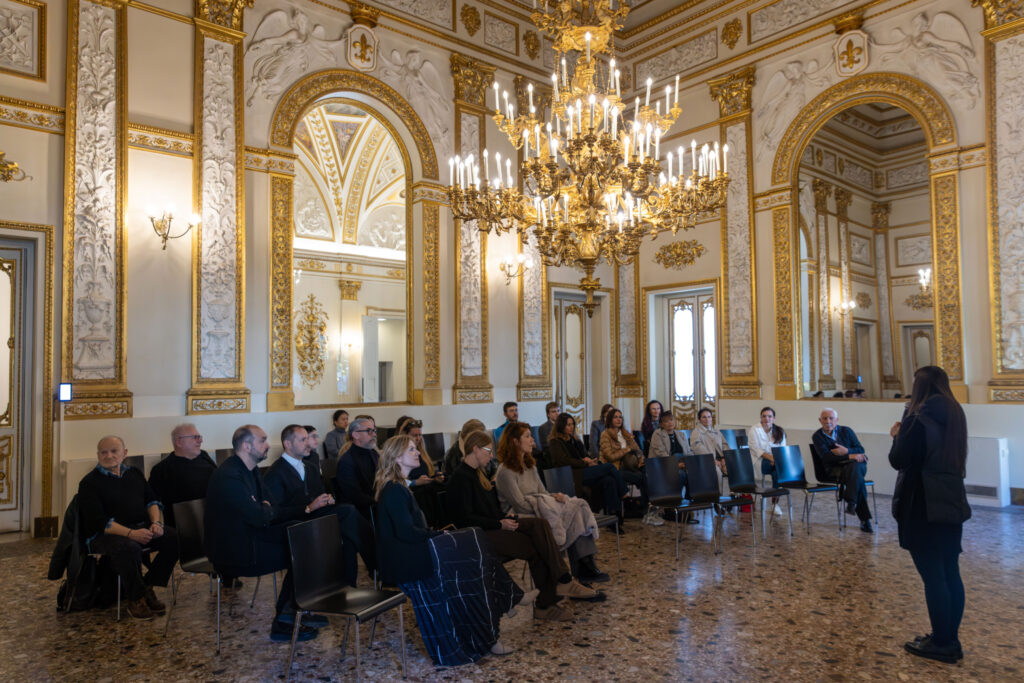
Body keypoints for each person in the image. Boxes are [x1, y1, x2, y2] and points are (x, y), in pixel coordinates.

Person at [374, 435, 533, 662]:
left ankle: (493, 627)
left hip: (415, 554)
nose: (418, 452)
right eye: (411, 450)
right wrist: (438, 534)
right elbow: (406, 533)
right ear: (397, 458)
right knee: (475, 550)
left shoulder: (398, 488)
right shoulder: (394, 490)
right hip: (409, 562)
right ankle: (500, 616)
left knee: (476, 552)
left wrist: (436, 534)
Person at [447, 430, 598, 621]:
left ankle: (559, 586)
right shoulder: (460, 478)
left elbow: (488, 510)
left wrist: (503, 518)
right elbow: (464, 519)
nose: (491, 455)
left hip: (493, 526)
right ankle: (552, 596)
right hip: (477, 536)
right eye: (488, 450)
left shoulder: (479, 475)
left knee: (540, 525)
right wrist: (499, 523)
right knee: (536, 544)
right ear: (475, 449)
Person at [205, 425, 322, 643]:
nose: (268, 445)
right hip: (235, 553)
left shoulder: (250, 470)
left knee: (302, 533)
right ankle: (285, 621)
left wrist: (264, 508)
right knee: (300, 551)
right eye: (263, 440)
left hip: (251, 537)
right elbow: (260, 515)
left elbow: (272, 508)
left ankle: (299, 608)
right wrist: (264, 509)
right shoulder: (229, 475)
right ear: (246, 445)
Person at [888, 366, 971, 664]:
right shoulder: (955, 415)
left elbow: (899, 460)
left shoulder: (918, 419)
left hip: (921, 503)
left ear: (919, 386)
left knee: (933, 577)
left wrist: (897, 434)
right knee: (949, 571)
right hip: (950, 500)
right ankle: (948, 638)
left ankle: (942, 643)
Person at [78, 436, 179, 620]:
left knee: (174, 537)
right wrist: (131, 534)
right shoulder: (89, 483)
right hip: (106, 534)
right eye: (103, 452)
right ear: (98, 455)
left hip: (138, 527)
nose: (109, 455)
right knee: (128, 547)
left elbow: (152, 500)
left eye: (114, 451)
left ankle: (147, 585)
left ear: (124, 453)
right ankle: (136, 599)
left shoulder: (134, 473)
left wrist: (156, 523)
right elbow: (99, 522)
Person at [495, 422, 608, 584]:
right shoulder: (505, 471)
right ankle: (573, 573)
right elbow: (519, 504)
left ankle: (585, 565)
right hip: (518, 516)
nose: (532, 440)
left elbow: (543, 493)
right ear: (515, 442)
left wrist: (555, 497)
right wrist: (547, 505)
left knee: (576, 507)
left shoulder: (530, 466)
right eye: (527, 436)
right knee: (560, 514)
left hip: (537, 508)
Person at [262, 424, 376, 586]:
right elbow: (275, 513)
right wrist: (308, 508)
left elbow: (318, 494)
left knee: (348, 537)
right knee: (348, 511)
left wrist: (327, 499)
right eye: (303, 440)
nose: (308, 443)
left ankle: (349, 587)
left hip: (317, 520)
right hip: (295, 526)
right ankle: (377, 564)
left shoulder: (311, 467)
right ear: (287, 444)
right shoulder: (275, 473)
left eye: (308, 439)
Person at [548, 413, 628, 531]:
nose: (571, 427)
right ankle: (624, 492)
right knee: (610, 467)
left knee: (609, 480)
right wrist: (584, 462)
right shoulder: (555, 442)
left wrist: (590, 461)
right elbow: (562, 461)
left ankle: (614, 517)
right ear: (561, 426)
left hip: (584, 470)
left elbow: (585, 455)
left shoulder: (575, 440)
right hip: (572, 475)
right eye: (568, 425)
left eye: (572, 424)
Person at [812, 408, 873, 532]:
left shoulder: (847, 431)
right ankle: (862, 516)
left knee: (856, 466)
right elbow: (826, 457)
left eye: (831, 418)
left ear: (837, 420)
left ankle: (851, 500)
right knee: (857, 479)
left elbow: (860, 449)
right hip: (834, 470)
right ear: (820, 420)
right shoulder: (817, 436)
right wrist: (851, 456)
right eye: (824, 418)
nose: (828, 421)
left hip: (853, 466)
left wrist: (847, 452)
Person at [600, 408, 662, 526]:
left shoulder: (625, 433)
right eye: (615, 417)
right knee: (642, 477)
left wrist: (640, 459)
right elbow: (610, 456)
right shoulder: (605, 434)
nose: (618, 419)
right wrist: (626, 450)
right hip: (615, 468)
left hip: (631, 466)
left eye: (620, 417)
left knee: (648, 472)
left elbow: (638, 449)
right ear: (610, 419)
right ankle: (647, 509)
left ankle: (652, 506)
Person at [148, 423, 217, 528]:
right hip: (183, 528)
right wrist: (156, 523)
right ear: (179, 442)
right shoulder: (162, 469)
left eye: (199, 437)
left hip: (214, 518)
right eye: (195, 437)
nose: (200, 441)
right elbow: (151, 501)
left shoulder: (204, 456)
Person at [398, 416, 446, 527]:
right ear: (405, 435)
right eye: (414, 435)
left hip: (426, 494)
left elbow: (426, 474)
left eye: (420, 435)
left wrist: (435, 478)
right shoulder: (401, 456)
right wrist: (415, 482)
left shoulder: (421, 453)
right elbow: (398, 481)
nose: (418, 438)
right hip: (413, 496)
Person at [334, 416, 380, 519]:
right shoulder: (346, 461)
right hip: (360, 512)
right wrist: (378, 500)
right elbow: (354, 495)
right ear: (355, 435)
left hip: (376, 504)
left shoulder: (374, 454)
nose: (374, 434)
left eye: (374, 430)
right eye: (369, 431)